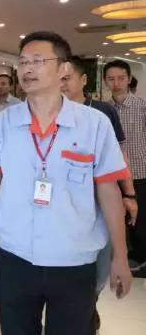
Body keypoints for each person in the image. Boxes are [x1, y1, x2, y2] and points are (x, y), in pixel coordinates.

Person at [0, 31, 132, 335]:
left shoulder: (93, 124)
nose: (27, 69)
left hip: (74, 258)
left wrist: (120, 257)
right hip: (16, 255)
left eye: (38, 61)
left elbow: (109, 191)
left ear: (63, 69)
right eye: (22, 62)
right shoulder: (2, 124)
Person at [60, 55, 139, 331]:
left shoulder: (102, 113)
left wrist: (129, 193)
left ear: (84, 80)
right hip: (64, 202)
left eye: (67, 78)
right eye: (58, 79)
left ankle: (88, 308)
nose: (61, 84)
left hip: (100, 197)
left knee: (98, 265)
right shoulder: (48, 112)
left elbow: (120, 155)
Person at [104, 59, 146, 272]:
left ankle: (140, 256)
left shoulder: (142, 107)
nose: (116, 83)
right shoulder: (103, 110)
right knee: (114, 215)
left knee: (140, 218)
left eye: (121, 78)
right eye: (111, 79)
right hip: (111, 174)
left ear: (129, 79)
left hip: (139, 171)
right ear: (105, 81)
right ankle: (119, 254)